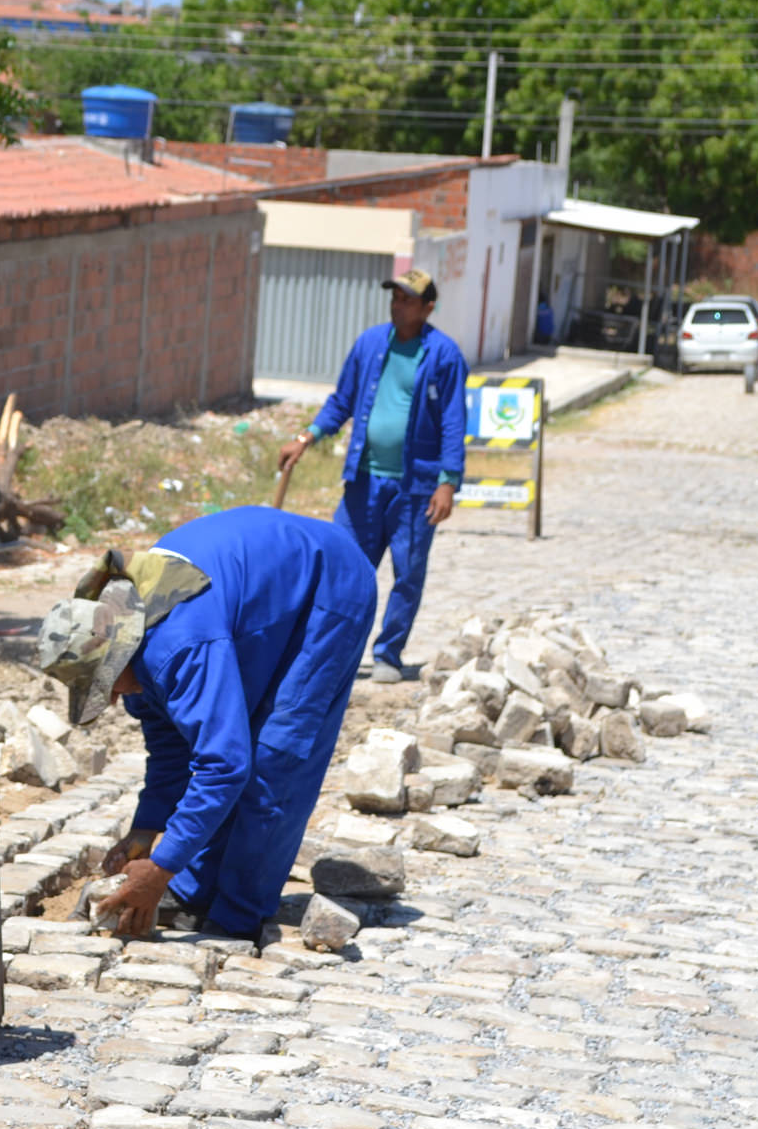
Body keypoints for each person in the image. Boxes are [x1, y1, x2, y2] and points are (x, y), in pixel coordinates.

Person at [36, 507, 376, 941]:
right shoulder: (134, 643)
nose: (114, 697)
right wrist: (146, 828)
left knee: (275, 755)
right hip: (260, 602)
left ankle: (237, 917)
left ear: (117, 654)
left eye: (106, 686)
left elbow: (224, 765)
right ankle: (194, 893)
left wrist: (160, 867)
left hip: (329, 585)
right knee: (229, 737)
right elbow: (171, 750)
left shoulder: (176, 648)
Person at [276, 268, 467, 683]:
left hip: (416, 489)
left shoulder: (444, 356)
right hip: (364, 481)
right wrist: (305, 437)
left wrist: (448, 482)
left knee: (407, 573)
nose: (398, 305)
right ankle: (329, 652)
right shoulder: (370, 344)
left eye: (408, 299)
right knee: (342, 564)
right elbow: (341, 400)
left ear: (428, 307)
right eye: (395, 297)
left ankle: (388, 654)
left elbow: (453, 422)